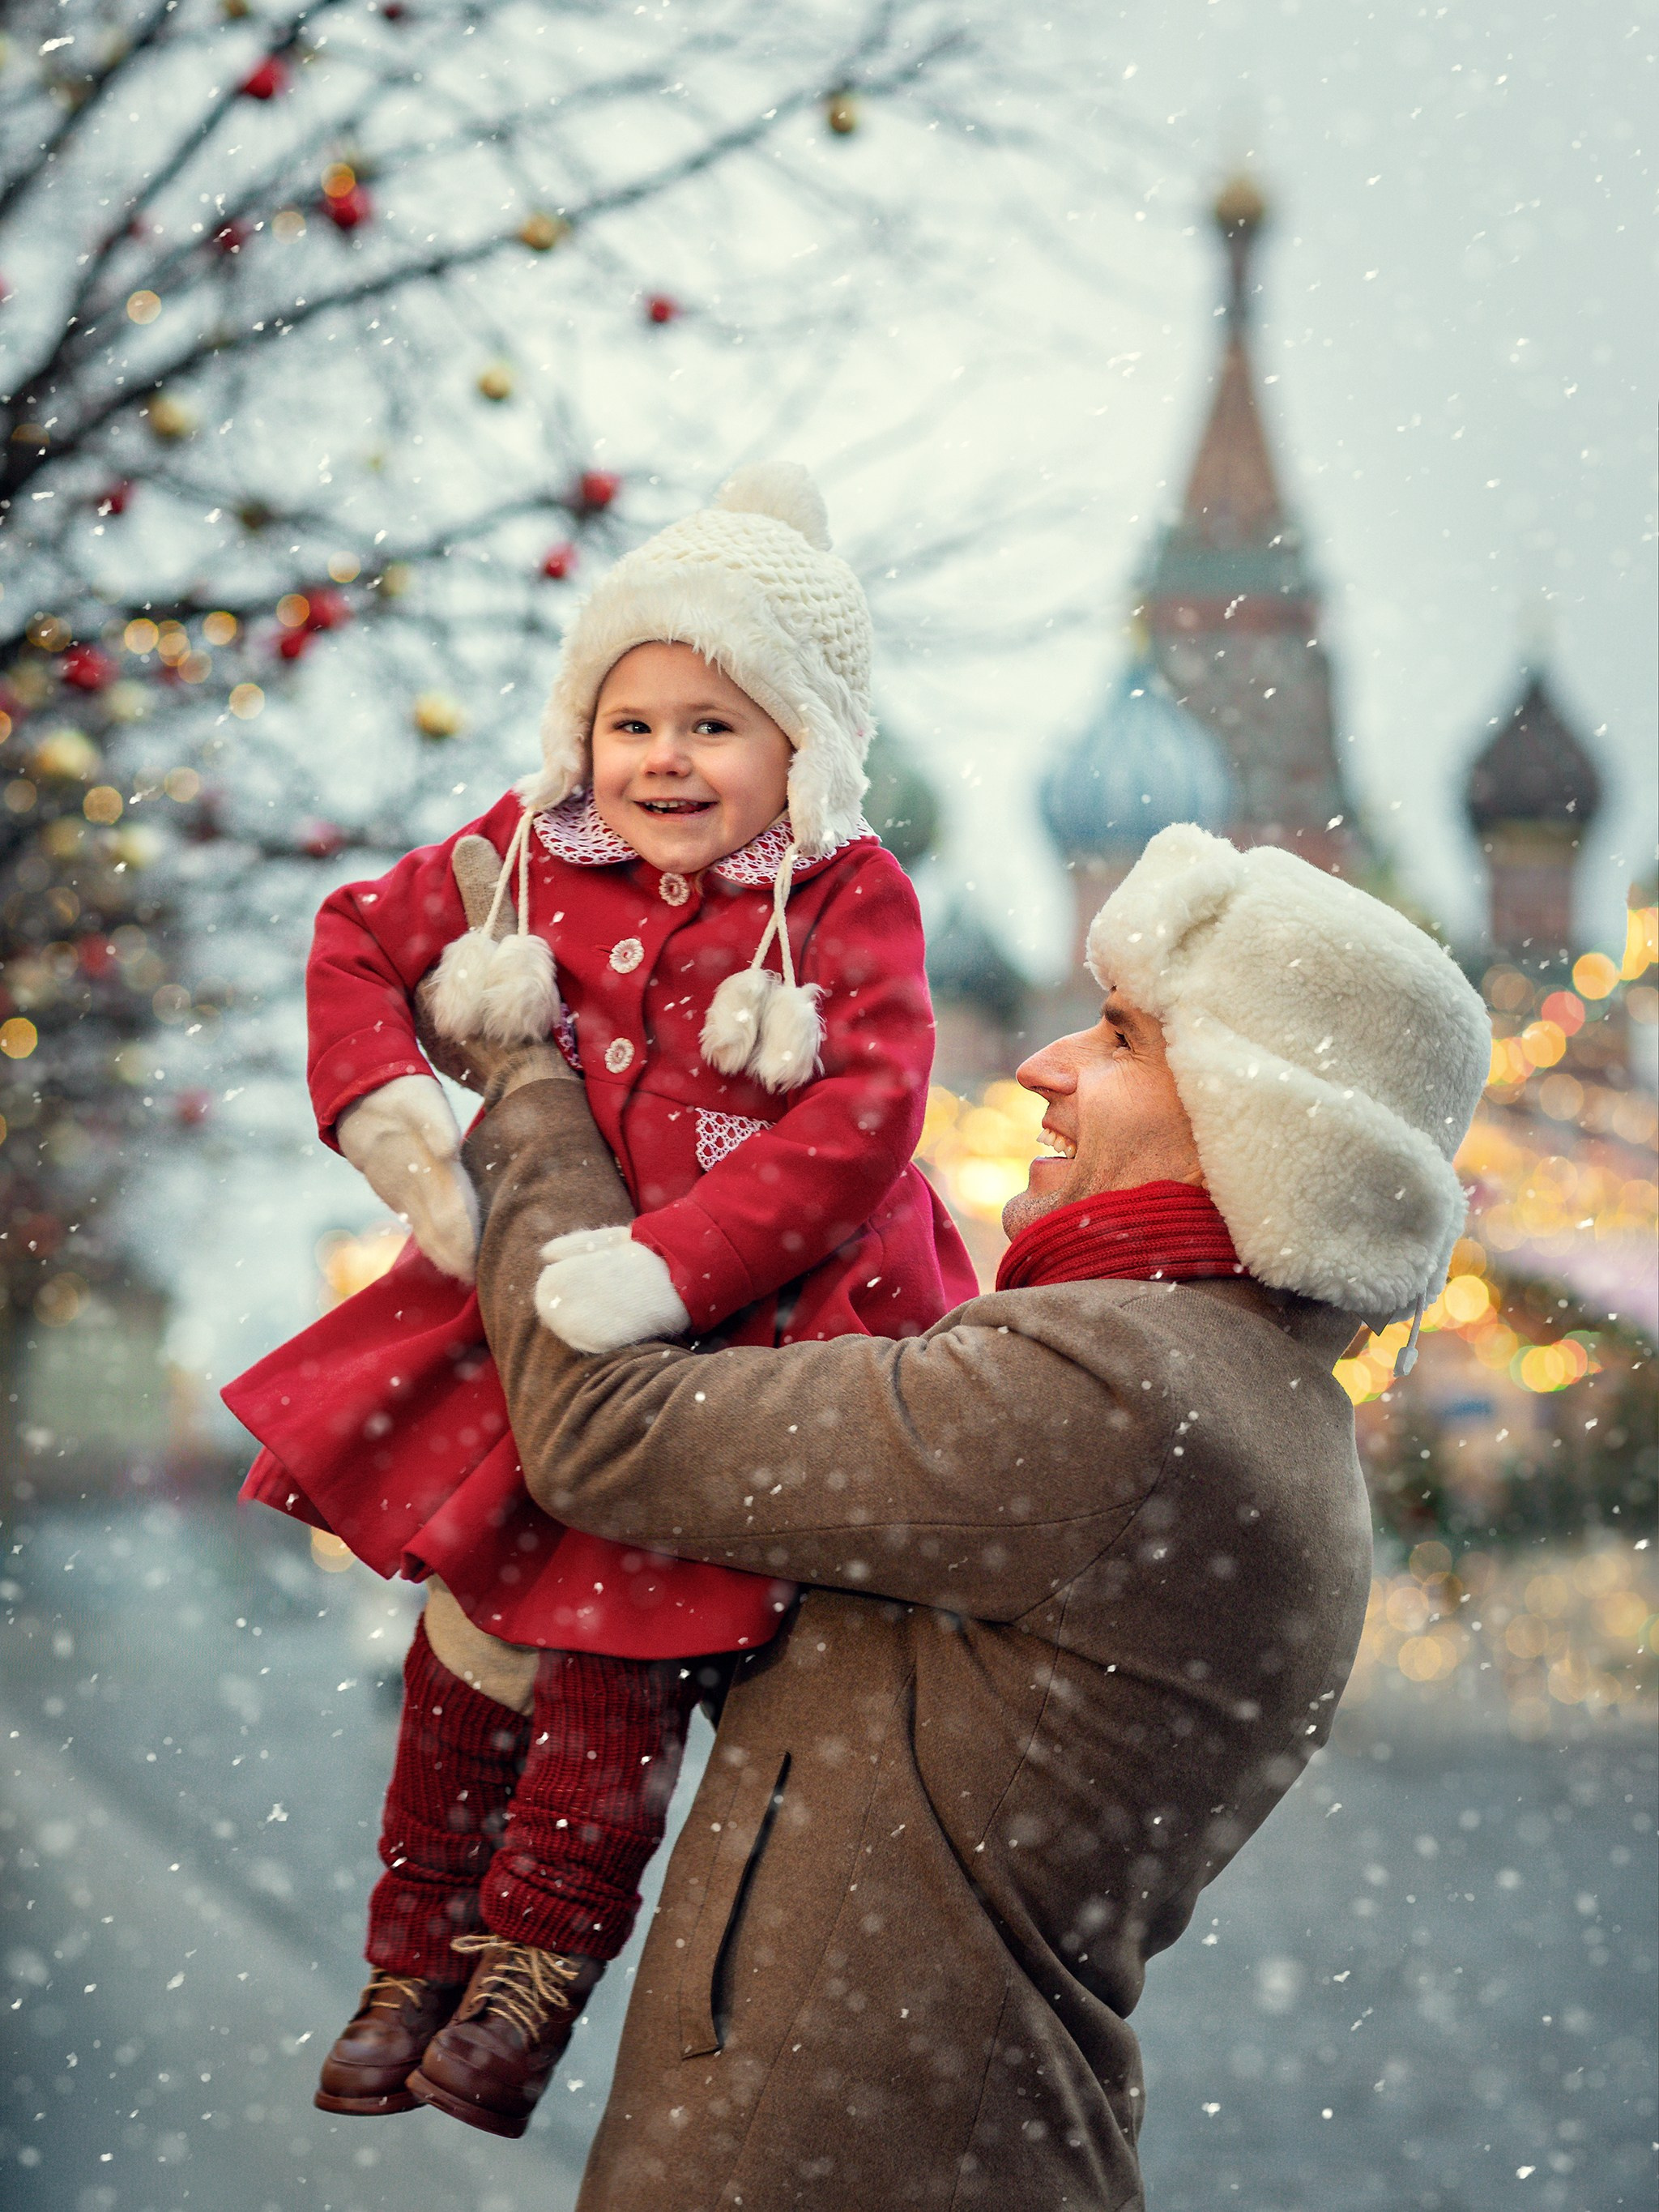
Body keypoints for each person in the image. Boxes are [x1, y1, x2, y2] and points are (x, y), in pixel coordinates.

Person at [440, 817, 1491, 2207]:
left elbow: (599, 1429)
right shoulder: (1236, 1394)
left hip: (854, 2159)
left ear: (1258, 1120)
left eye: (1119, 1039)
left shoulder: (1122, 1390)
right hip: (898, 2142)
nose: (1049, 1066)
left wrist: (527, 1069)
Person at [221, 463, 976, 2137]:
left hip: (749, 1329)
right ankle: (411, 1952)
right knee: (466, 1636)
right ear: (584, 730)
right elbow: (355, 934)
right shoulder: (524, 857)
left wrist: (670, 1262)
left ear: (802, 748)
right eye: (632, 721)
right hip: (530, 1319)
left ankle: (535, 1968)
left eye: (717, 725)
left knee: (618, 1657)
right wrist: (389, 1110)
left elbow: (863, 1117)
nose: (664, 762)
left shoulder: (851, 895)